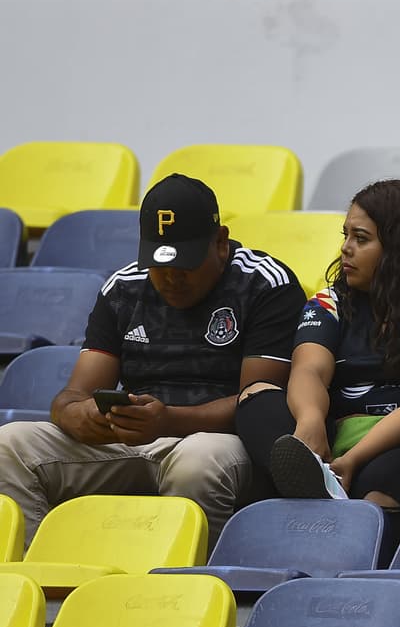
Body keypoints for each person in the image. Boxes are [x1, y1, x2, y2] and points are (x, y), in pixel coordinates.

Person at [0, 173, 305, 543]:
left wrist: (169, 421)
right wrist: (75, 415)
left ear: (221, 243)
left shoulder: (264, 283)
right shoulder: (123, 287)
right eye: (160, 266)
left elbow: (260, 400)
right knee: (8, 445)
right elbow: (74, 394)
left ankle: (188, 581)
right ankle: (40, 569)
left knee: (197, 461)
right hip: (137, 434)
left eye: (186, 265)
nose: (171, 278)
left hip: (220, 438)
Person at [235, 179, 400, 540]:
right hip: (336, 435)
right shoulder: (331, 302)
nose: (346, 249)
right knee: (257, 397)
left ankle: (332, 515)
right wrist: (311, 420)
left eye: (361, 239)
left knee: (384, 475)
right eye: (345, 235)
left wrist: (354, 458)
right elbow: (309, 369)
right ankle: (313, 485)